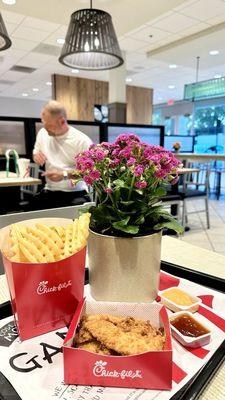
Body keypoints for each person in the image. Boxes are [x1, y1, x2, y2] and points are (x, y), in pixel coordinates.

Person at [31, 100, 92, 210]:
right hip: (49, 190)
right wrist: (36, 157)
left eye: (49, 125)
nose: (45, 128)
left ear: (62, 121)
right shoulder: (43, 133)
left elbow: (88, 172)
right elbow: (36, 153)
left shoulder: (81, 141)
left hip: (76, 193)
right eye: (43, 123)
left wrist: (64, 175)